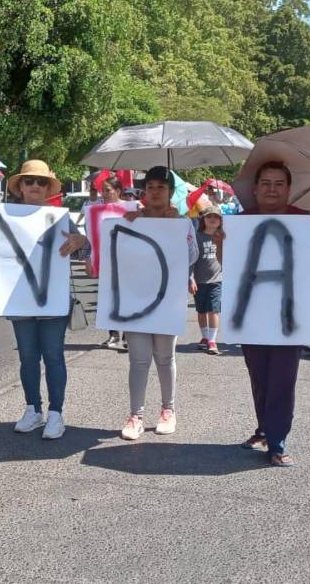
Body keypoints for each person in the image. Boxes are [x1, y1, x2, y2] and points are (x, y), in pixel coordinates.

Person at [0, 161, 87, 440]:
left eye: (40, 182)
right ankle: (33, 409)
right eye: (29, 181)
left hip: (53, 299)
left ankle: (56, 414)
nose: (35, 186)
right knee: (27, 358)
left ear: (48, 188)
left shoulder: (59, 216)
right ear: (20, 187)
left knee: (53, 356)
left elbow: (85, 249)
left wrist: (80, 240)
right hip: (19, 299)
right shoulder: (0, 217)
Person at [237, 161, 310, 467]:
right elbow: (231, 265)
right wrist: (221, 240)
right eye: (266, 183)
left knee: (282, 378)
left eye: (279, 184)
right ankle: (265, 428)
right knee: (260, 377)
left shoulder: (304, 221)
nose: (272, 189)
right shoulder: (241, 221)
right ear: (255, 188)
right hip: (251, 314)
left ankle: (277, 440)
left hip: (289, 316)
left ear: (289, 189)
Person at [118, 166, 197, 440]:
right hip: (135, 298)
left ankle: (168, 410)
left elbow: (192, 256)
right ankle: (135, 415)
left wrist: (178, 229)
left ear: (170, 193)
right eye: (149, 187)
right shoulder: (131, 220)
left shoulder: (183, 222)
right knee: (138, 360)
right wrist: (129, 222)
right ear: (143, 192)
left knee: (165, 357)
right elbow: (115, 250)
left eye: (161, 187)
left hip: (167, 299)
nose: (154, 192)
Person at [98, 179, 135, 351]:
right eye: (102, 191)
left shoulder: (131, 208)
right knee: (109, 297)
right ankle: (113, 335)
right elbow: (93, 235)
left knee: (127, 296)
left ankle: (128, 335)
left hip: (128, 260)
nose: (103, 194)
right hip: (106, 260)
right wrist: (90, 259)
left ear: (118, 190)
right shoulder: (97, 210)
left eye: (107, 190)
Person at [191, 209, 225, 355]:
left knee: (213, 310)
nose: (212, 219)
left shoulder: (223, 237)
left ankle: (212, 340)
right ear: (202, 220)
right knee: (201, 311)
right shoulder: (197, 237)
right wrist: (190, 277)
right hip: (199, 280)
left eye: (216, 217)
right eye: (209, 216)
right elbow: (191, 259)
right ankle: (205, 337)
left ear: (221, 221)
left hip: (217, 280)